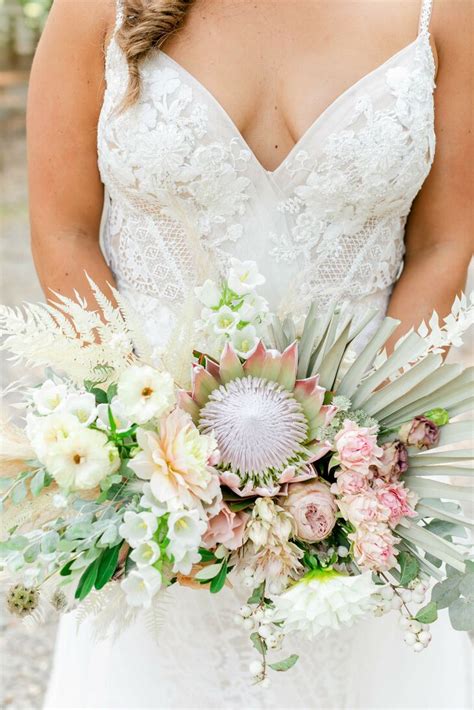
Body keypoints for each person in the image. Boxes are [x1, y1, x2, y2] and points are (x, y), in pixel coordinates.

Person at [27, 0, 472, 707]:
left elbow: (445, 244)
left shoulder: (441, 11)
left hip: (364, 485)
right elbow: (65, 232)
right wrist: (137, 445)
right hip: (158, 486)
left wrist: (362, 453)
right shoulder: (97, 9)